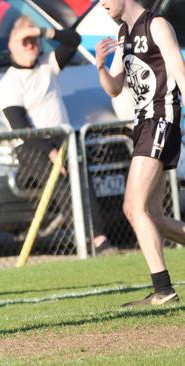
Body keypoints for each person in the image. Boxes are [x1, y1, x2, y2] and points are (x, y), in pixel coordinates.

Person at [0, 16, 113, 255]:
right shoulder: (9, 83)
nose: (31, 46)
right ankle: (86, 243)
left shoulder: (48, 64)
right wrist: (49, 151)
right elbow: (20, 127)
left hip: (63, 138)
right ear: (12, 45)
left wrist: (41, 31)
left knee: (83, 185)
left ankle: (101, 241)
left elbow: (73, 40)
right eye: (24, 41)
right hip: (32, 146)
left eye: (33, 40)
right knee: (61, 187)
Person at [95, 0, 185, 306]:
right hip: (143, 124)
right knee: (154, 217)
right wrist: (100, 67)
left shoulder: (157, 25)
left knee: (133, 207)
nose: (102, 3)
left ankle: (163, 290)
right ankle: (163, 290)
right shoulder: (123, 33)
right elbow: (114, 88)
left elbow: (180, 73)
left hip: (162, 120)